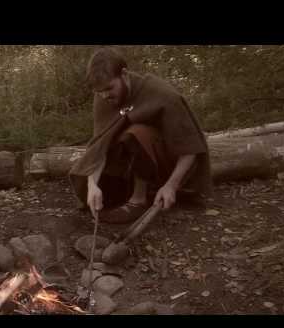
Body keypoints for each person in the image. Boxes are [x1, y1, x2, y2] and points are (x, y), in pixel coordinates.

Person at [69, 47, 213, 223]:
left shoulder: (162, 94)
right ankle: (126, 190)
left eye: (109, 88)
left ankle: (138, 200)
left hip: (169, 165)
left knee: (136, 133)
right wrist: (92, 185)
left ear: (124, 74)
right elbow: (101, 144)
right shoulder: (103, 97)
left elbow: (190, 149)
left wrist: (170, 186)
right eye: (99, 91)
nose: (105, 95)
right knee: (97, 192)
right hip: (135, 164)